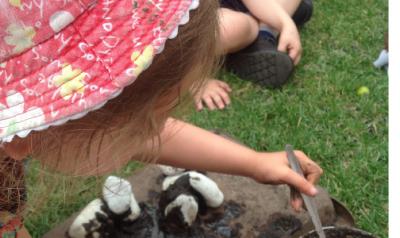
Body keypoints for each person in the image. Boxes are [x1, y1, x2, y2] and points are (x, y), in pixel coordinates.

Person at [0, 0, 322, 237]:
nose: (155, 132)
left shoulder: (29, 136)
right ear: (22, 136)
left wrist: (255, 164)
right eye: (145, 122)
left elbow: (130, 134)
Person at [195, 0, 313, 111]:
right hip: (212, 19)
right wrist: (196, 80)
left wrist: (285, 24)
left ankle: (262, 37)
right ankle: (262, 33)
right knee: (227, 28)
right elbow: (179, 32)